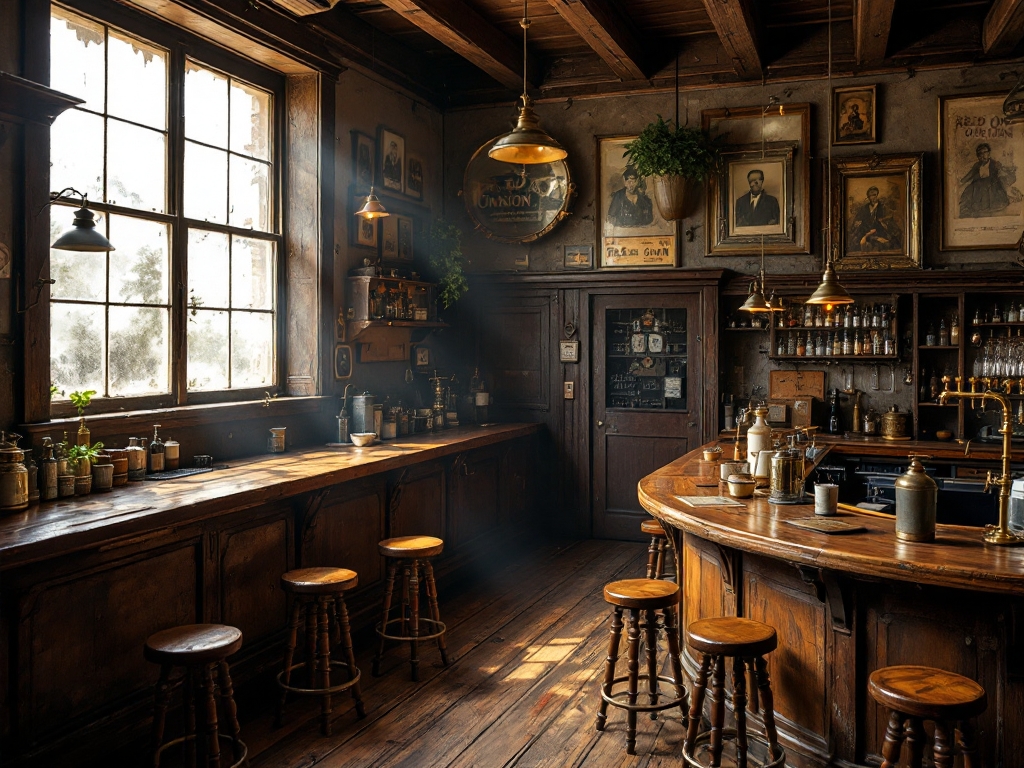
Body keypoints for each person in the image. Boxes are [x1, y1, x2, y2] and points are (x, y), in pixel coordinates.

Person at [959, 143, 1012, 218]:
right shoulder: (977, 165)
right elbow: (970, 175)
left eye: (985, 152)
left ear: (989, 154)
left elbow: (1003, 173)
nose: (982, 155)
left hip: (991, 186)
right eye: (980, 154)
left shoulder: (995, 164)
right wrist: (961, 182)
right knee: (969, 193)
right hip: (978, 185)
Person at [849, 186, 902, 251]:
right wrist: (857, 223)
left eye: (875, 195)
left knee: (887, 243)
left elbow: (887, 218)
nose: (873, 197)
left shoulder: (882, 207)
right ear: (868, 196)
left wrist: (883, 222)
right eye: (871, 195)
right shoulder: (864, 208)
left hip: (879, 230)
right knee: (857, 243)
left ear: (877, 195)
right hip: (866, 229)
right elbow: (859, 218)